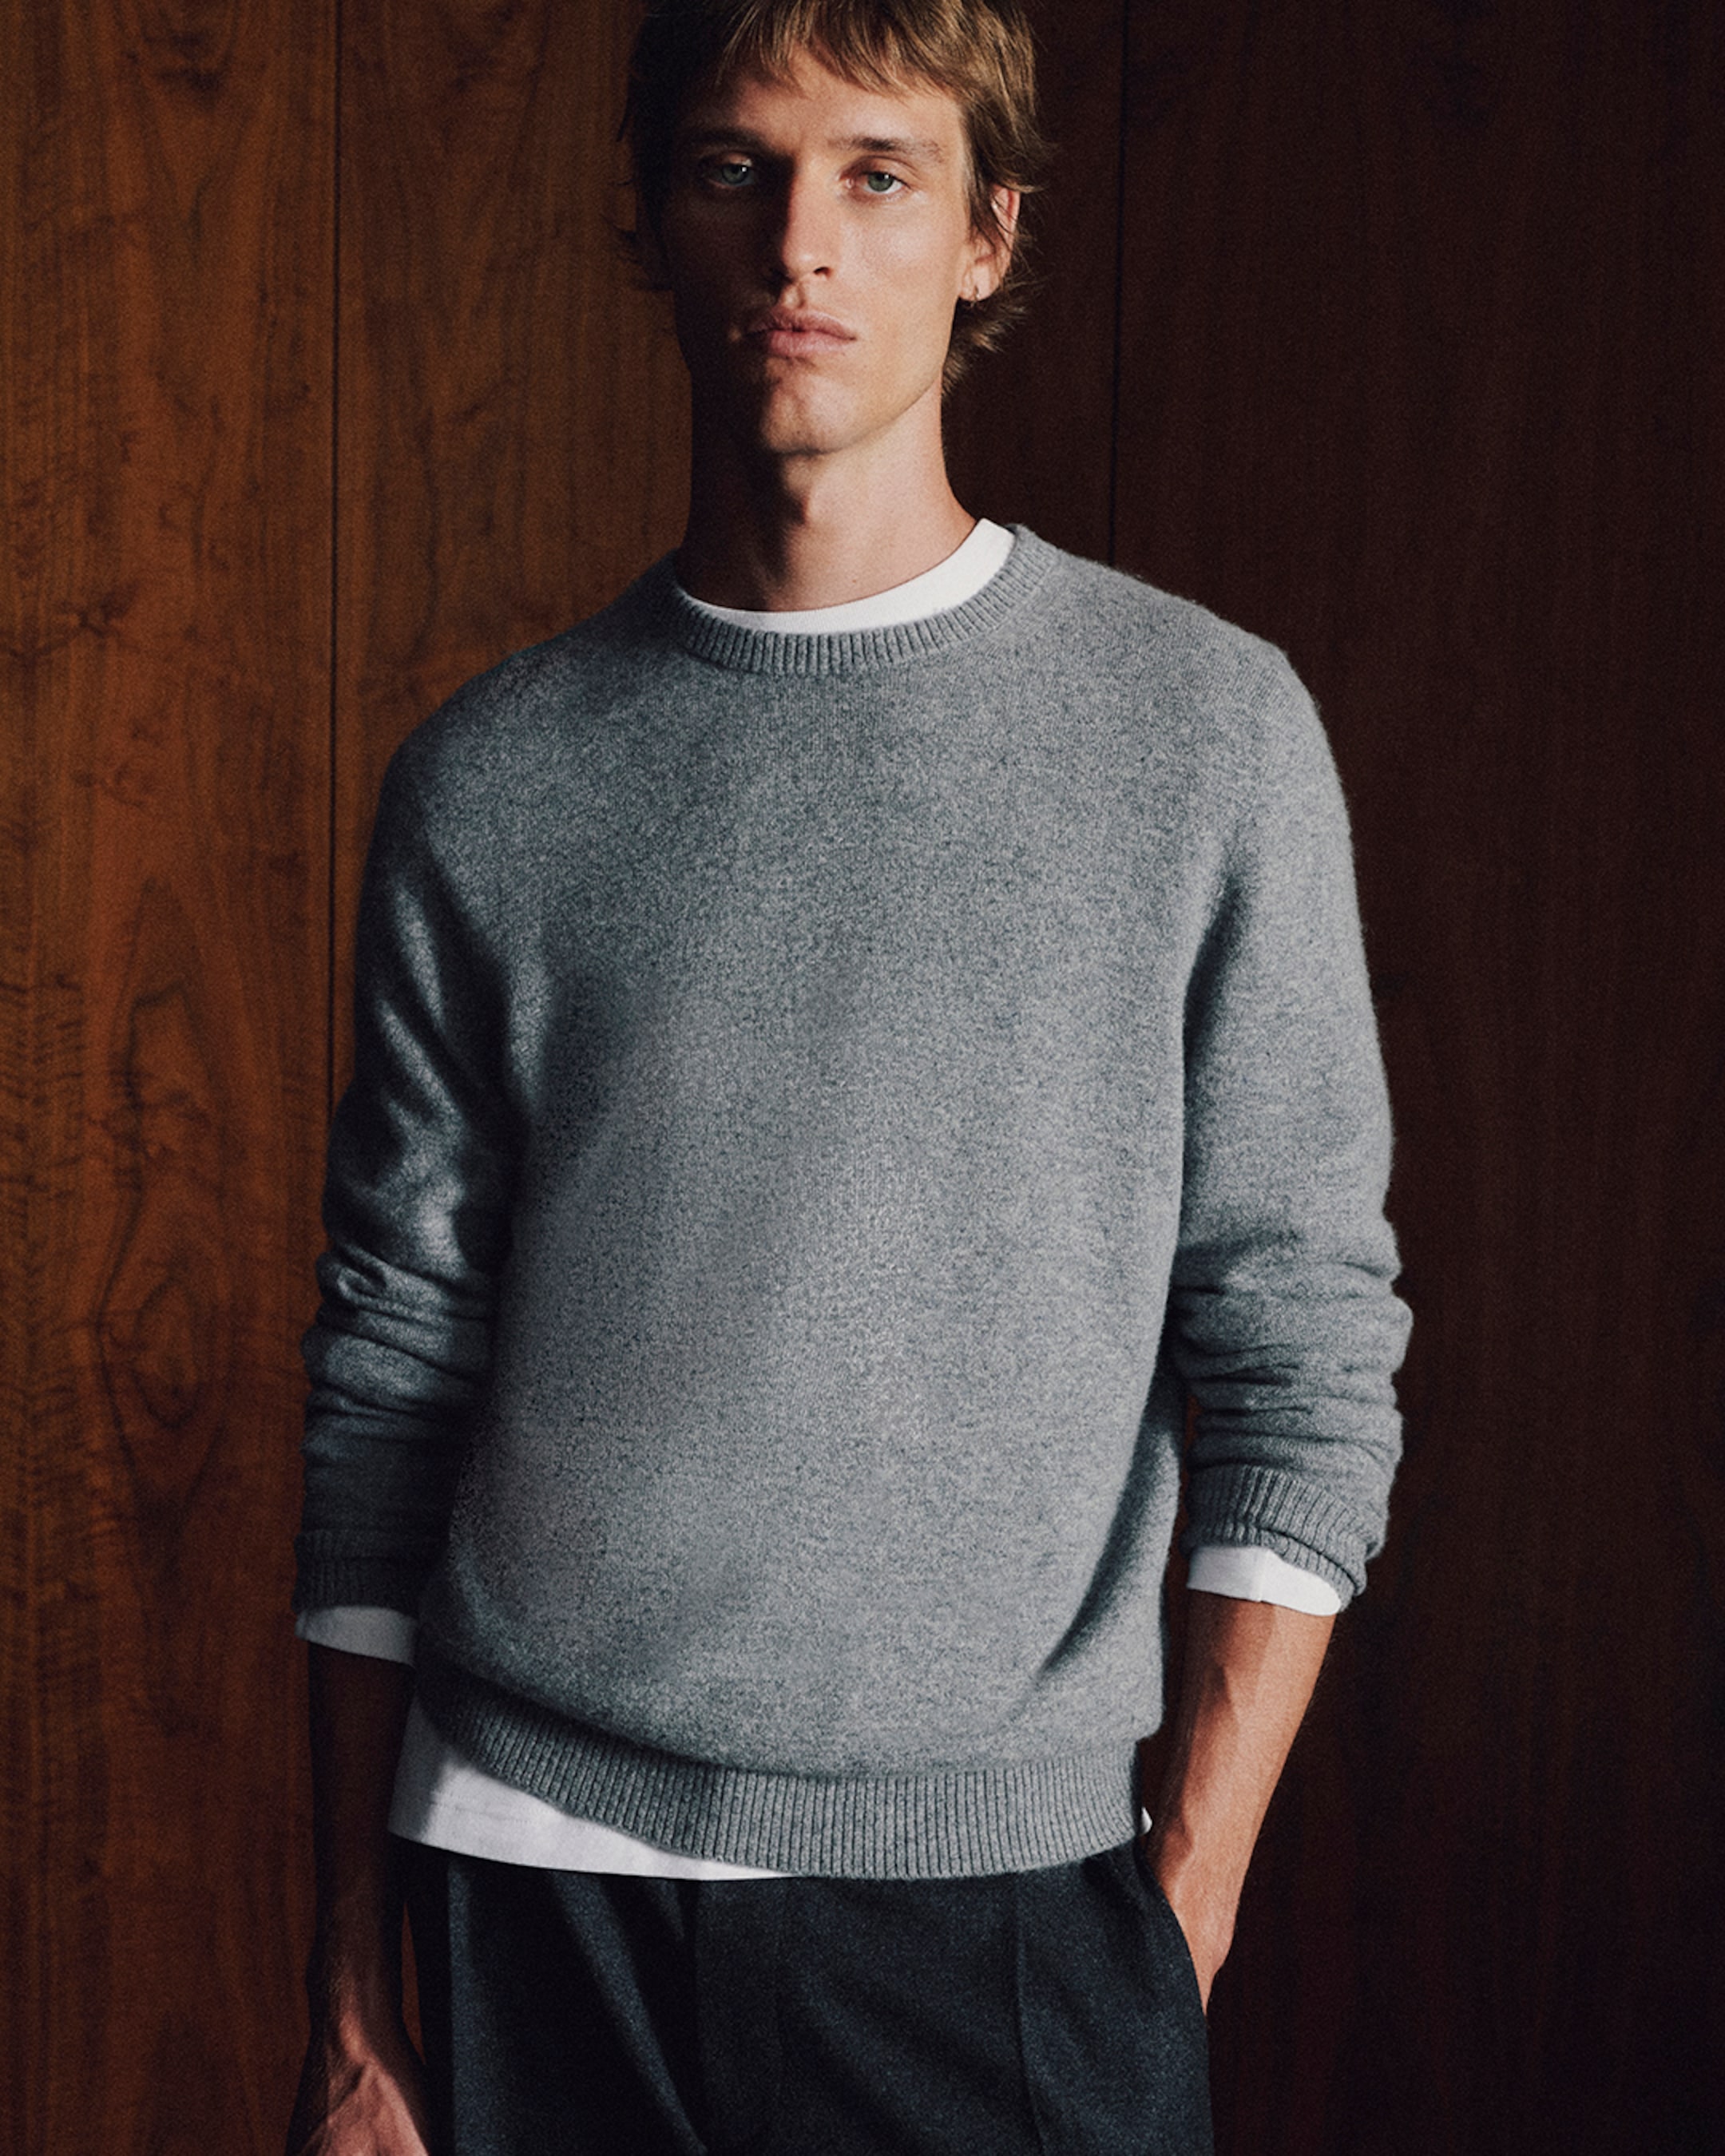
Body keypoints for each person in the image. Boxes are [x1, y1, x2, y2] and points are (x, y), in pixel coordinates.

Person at [286, 2, 1411, 2150]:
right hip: (529, 1886)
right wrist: (351, 1983)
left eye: (875, 174)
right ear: (657, 218)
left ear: (988, 234)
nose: (801, 239)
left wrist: (1186, 1899)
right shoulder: (494, 780)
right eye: (737, 167)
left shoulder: (1202, 734)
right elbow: (387, 1374)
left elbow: (1302, 1342)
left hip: (996, 1915)